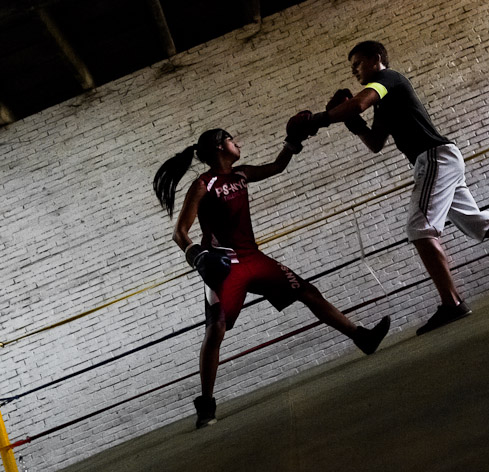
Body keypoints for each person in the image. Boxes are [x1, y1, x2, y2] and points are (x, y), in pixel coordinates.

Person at [286, 40, 489, 336]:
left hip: (434, 157)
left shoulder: (388, 79)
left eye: (357, 64)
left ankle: (451, 303)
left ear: (375, 59)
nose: (354, 71)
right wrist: (353, 122)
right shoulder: (386, 100)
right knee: (478, 224)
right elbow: (375, 144)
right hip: (441, 159)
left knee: (419, 228)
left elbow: (359, 102)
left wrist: (316, 121)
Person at [153, 128, 391, 429]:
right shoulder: (203, 184)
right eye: (231, 140)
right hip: (227, 263)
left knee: (307, 291)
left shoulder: (241, 175)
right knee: (216, 330)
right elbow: (180, 232)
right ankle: (206, 406)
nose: (237, 142)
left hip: (254, 257)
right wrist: (197, 255)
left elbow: (277, 166)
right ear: (218, 147)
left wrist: (293, 140)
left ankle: (363, 338)